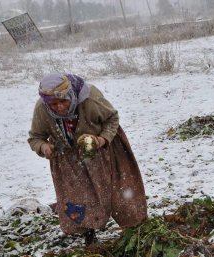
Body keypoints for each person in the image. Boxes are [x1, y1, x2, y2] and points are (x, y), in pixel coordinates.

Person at [28, 73, 147, 245]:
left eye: (63, 101)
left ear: (70, 95)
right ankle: (88, 234)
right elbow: (35, 137)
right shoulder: (42, 109)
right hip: (69, 159)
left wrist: (102, 139)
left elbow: (112, 119)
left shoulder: (90, 98)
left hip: (104, 150)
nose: (60, 107)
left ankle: (134, 230)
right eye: (54, 104)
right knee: (79, 196)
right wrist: (43, 147)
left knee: (120, 191)